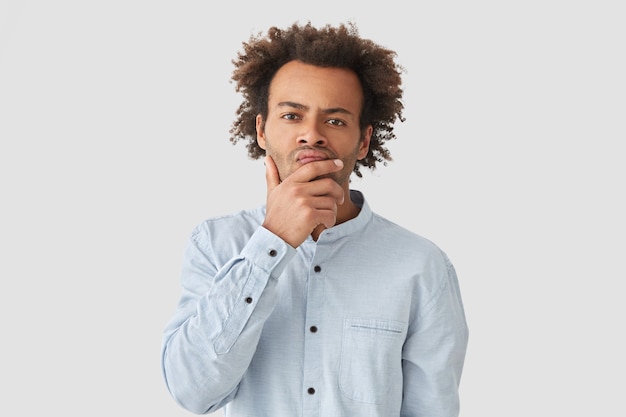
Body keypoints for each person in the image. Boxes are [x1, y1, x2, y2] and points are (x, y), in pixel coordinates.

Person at [161, 21, 469, 417]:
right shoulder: (216, 243)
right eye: (292, 116)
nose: (312, 135)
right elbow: (192, 392)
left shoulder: (421, 265)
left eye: (335, 120)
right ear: (261, 129)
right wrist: (271, 242)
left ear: (363, 141)